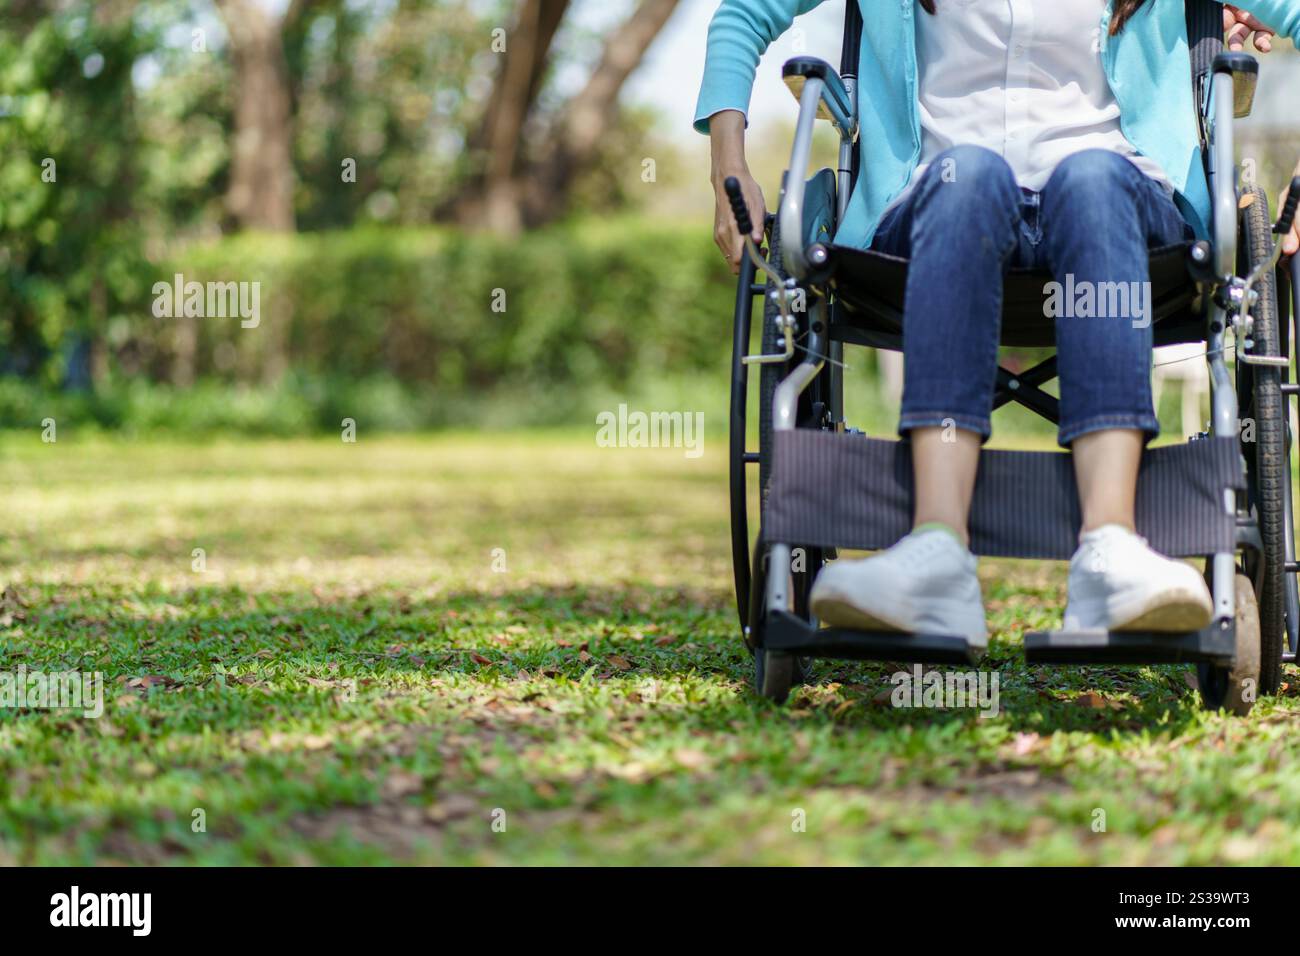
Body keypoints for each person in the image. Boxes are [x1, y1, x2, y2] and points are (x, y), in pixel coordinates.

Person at [699, 0, 1300, 647]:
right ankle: (935, 556)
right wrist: (728, 166)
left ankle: (1111, 552)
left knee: (1092, 176)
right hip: (944, 208)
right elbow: (743, 14)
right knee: (969, 172)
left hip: (1120, 211)